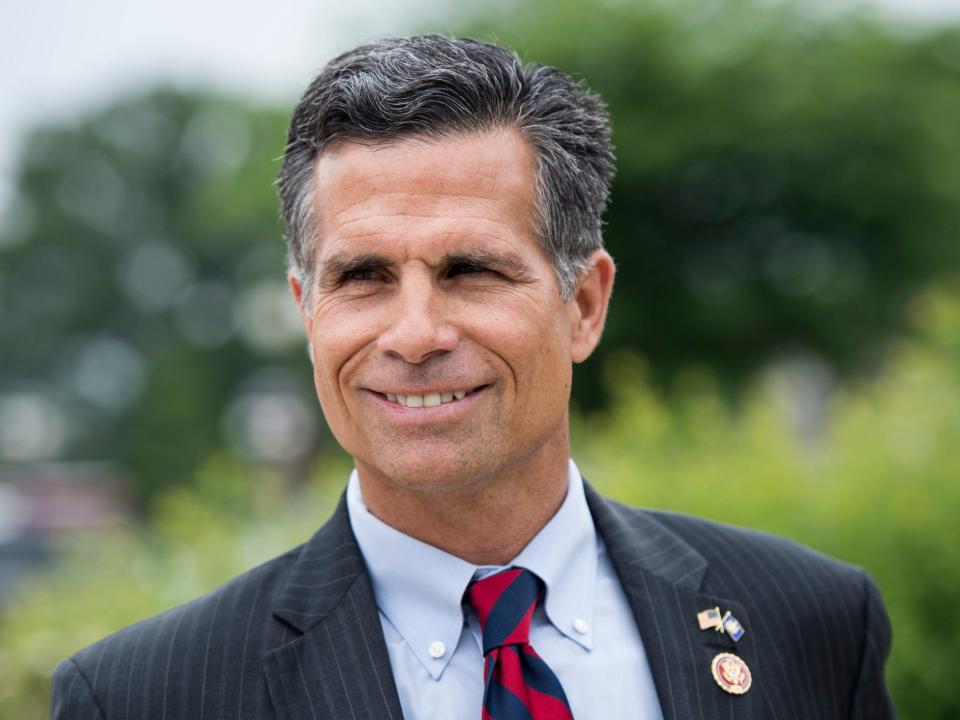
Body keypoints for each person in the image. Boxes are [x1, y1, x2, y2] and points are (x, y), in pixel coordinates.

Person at [50, 35, 895, 720]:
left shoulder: (811, 624)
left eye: (471, 271)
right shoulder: (143, 697)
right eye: (363, 278)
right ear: (308, 312)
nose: (414, 335)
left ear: (585, 305)